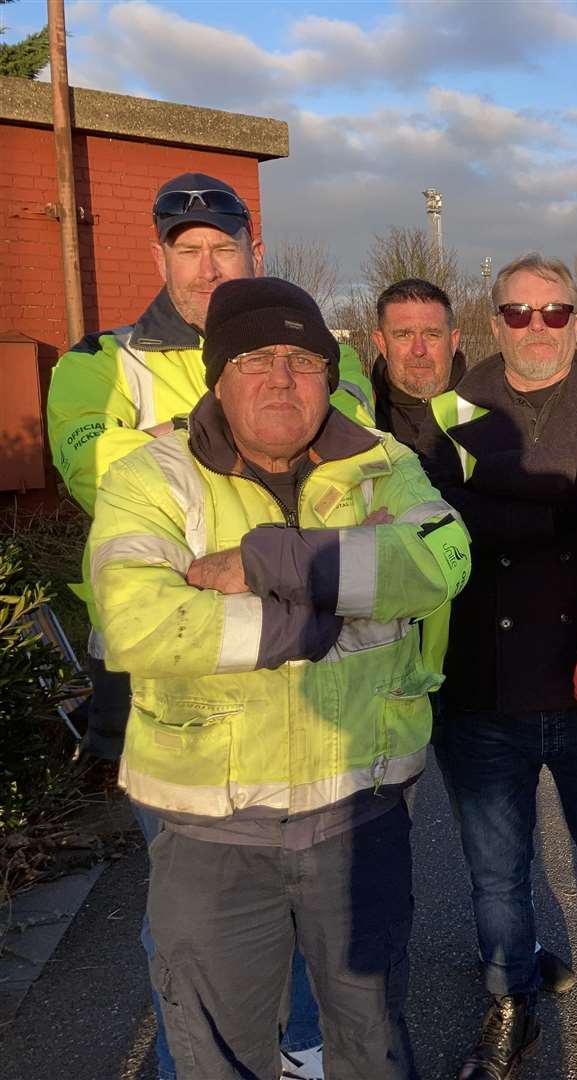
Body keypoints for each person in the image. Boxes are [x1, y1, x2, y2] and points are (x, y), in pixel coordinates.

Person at [88, 276, 470, 1080]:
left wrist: (273, 561)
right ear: (217, 375)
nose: (281, 379)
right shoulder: (152, 477)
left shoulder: (382, 462)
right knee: (221, 1060)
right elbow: (137, 621)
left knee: (372, 1046)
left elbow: (444, 559)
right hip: (211, 831)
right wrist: (324, 613)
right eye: (255, 358)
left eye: (303, 359)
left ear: (330, 375)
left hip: (357, 812)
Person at [45, 171, 373, 1080]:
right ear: (159, 257)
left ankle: (300, 1051)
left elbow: (352, 467)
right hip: (171, 672)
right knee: (188, 911)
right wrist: (264, 465)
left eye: (222, 247)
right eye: (186, 251)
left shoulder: (308, 360)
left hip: (308, 662)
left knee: (312, 888)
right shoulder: (96, 361)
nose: (204, 266)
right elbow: (105, 478)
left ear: (251, 250)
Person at [415, 254, 577, 1080]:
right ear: (493, 321)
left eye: (556, 312)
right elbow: (434, 524)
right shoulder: (444, 411)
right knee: (497, 881)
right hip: (480, 693)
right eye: (519, 312)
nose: (538, 328)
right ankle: (512, 1007)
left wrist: (498, 502)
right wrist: (569, 506)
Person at [370, 278, 467, 450]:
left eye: (432, 335)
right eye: (404, 335)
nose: (419, 350)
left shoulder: (493, 413)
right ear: (381, 343)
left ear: (453, 342)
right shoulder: (358, 421)